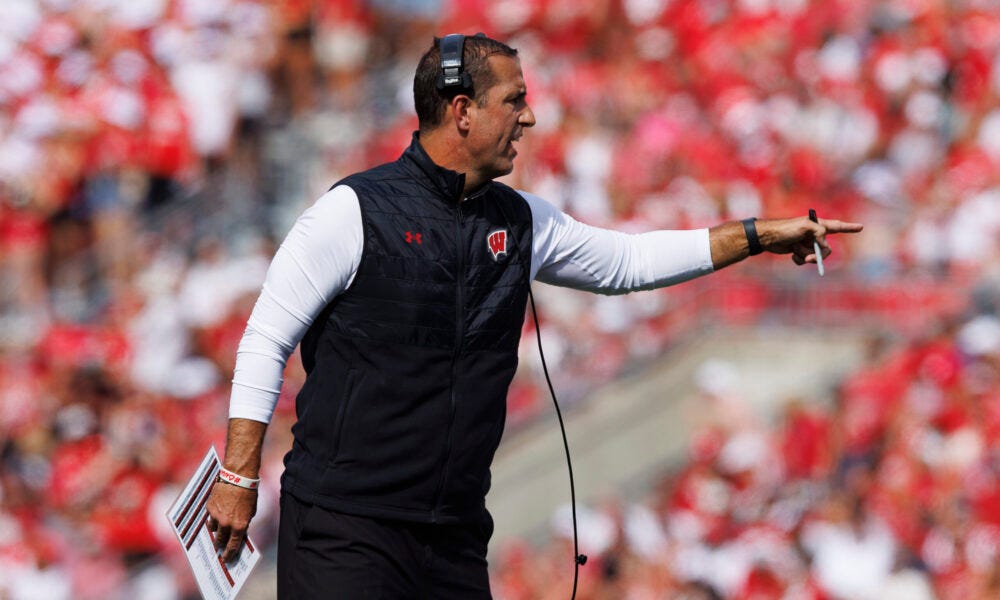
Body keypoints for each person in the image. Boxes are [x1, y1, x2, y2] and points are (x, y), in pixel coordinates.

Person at [205, 33, 863, 598]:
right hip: (346, 528)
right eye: (514, 100)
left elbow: (628, 264)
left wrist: (754, 236)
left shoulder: (520, 220)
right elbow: (266, 338)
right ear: (461, 111)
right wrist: (237, 477)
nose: (530, 117)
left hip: (455, 533)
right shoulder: (352, 212)